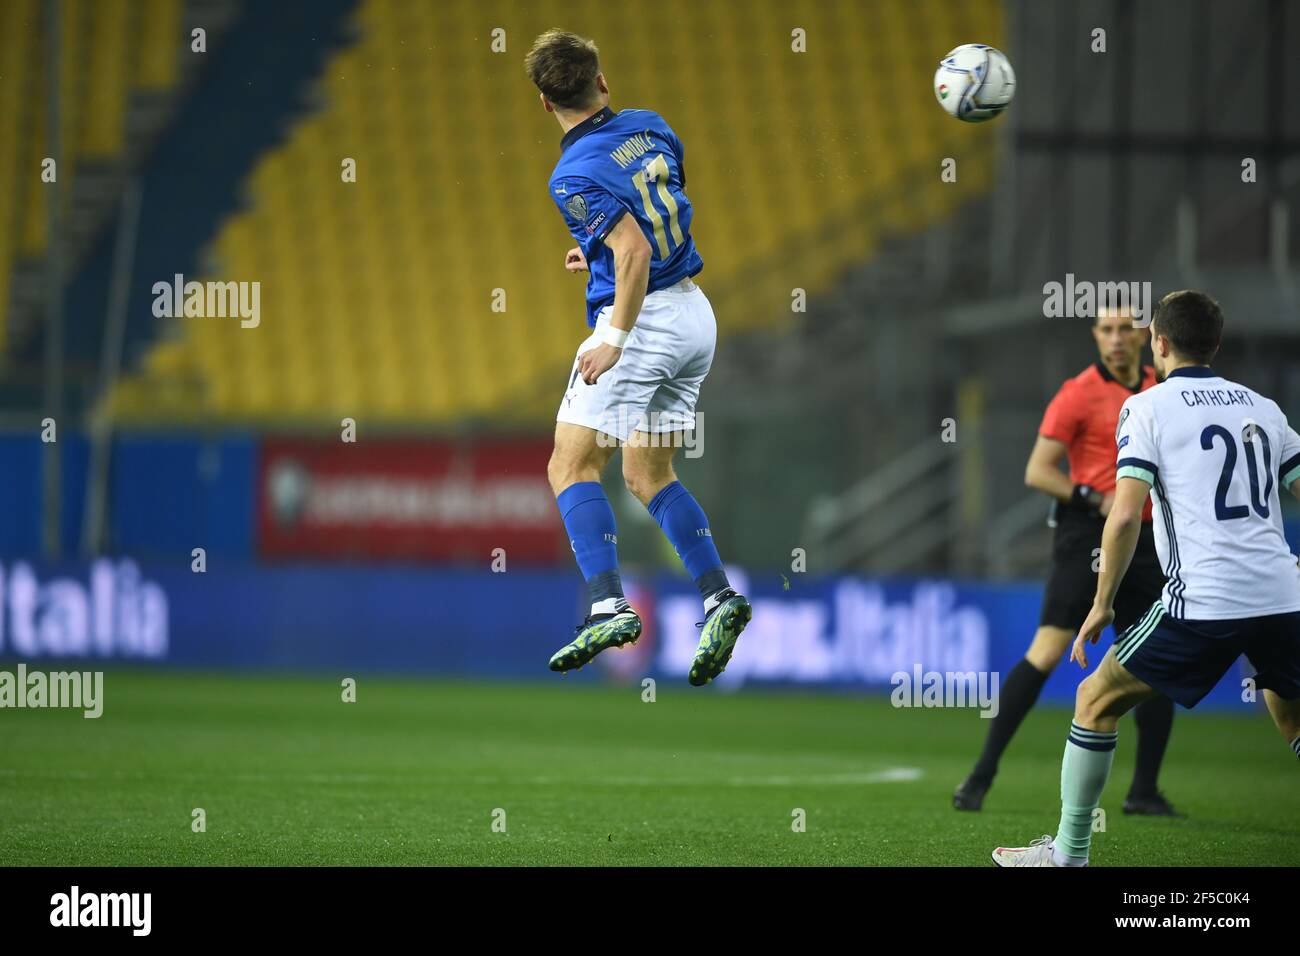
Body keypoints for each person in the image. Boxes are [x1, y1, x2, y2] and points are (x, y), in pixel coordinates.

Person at [993, 290, 1300, 867]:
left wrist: (1103, 602)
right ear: (1216, 342)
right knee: (1289, 713)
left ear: (1158, 342)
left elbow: (1126, 513)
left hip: (1204, 601)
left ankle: (1068, 854)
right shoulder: (1264, 407)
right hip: (1283, 597)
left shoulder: (1149, 407)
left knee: (1094, 698)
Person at [525, 30, 750, 685]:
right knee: (648, 474)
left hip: (644, 322)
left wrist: (613, 337)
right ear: (603, 81)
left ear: (545, 104)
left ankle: (605, 604)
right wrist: (597, 251)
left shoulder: (570, 174)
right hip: (694, 314)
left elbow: (635, 252)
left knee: (570, 464)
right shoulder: (652, 126)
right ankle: (719, 596)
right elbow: (660, 213)